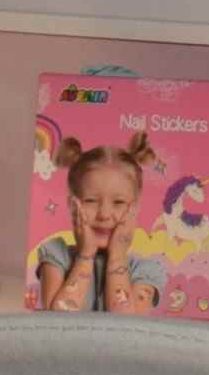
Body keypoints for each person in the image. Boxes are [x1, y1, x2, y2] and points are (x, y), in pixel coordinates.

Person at [35, 131, 166, 312]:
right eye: (90, 201)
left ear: (135, 209)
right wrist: (85, 256)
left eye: (118, 202)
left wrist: (117, 258)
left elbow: (127, 324)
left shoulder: (145, 271)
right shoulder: (56, 256)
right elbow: (58, 320)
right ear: (72, 205)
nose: (104, 215)